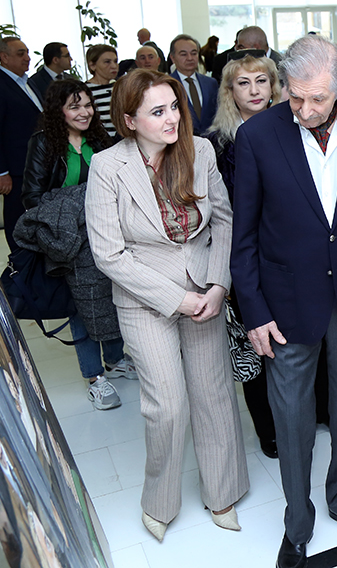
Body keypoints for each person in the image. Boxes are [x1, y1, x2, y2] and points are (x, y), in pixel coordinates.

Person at [231, 35, 337, 568]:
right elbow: (244, 237)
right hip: (285, 300)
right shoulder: (257, 136)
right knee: (291, 416)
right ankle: (297, 521)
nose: (304, 110)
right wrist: (254, 312)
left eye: (317, 100)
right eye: (295, 96)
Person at [85, 69, 248, 541]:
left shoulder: (200, 151)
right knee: (167, 406)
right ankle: (159, 502)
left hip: (204, 289)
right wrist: (178, 299)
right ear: (129, 120)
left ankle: (223, 493)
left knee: (214, 395)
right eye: (157, 112)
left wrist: (217, 285)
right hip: (145, 298)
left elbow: (224, 221)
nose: (172, 118)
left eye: (174, 107)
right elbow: (108, 254)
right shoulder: (108, 167)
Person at [22, 80, 136, 410]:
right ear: (58, 111)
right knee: (81, 308)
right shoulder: (44, 142)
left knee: (111, 298)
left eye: (87, 105)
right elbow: (31, 197)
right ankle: (95, 377)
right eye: (74, 106)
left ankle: (115, 360)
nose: (84, 112)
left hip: (105, 233)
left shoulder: (99, 139)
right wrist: (79, 204)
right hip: (68, 239)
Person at [207, 54, 282, 458]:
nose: (254, 90)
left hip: (289, 256)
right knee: (254, 344)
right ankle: (267, 430)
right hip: (245, 257)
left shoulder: (296, 130)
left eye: (261, 81)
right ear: (229, 92)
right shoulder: (216, 145)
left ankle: (307, 414)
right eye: (243, 83)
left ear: (273, 87)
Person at [0, 36, 42, 249]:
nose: (27, 58)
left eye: (27, 52)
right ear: (4, 57)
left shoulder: (29, 83)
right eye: (20, 54)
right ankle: (18, 260)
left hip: (37, 164)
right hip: (16, 168)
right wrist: (1, 172)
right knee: (16, 217)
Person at [169, 34, 219, 136]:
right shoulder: (167, 85)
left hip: (210, 140)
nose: (190, 58)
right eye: (183, 54)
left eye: (194, 53)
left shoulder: (211, 83)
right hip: (181, 140)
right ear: (173, 58)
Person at [85, 44, 119, 134]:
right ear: (92, 65)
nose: (114, 66)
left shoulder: (120, 87)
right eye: (107, 62)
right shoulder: (85, 90)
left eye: (115, 61)